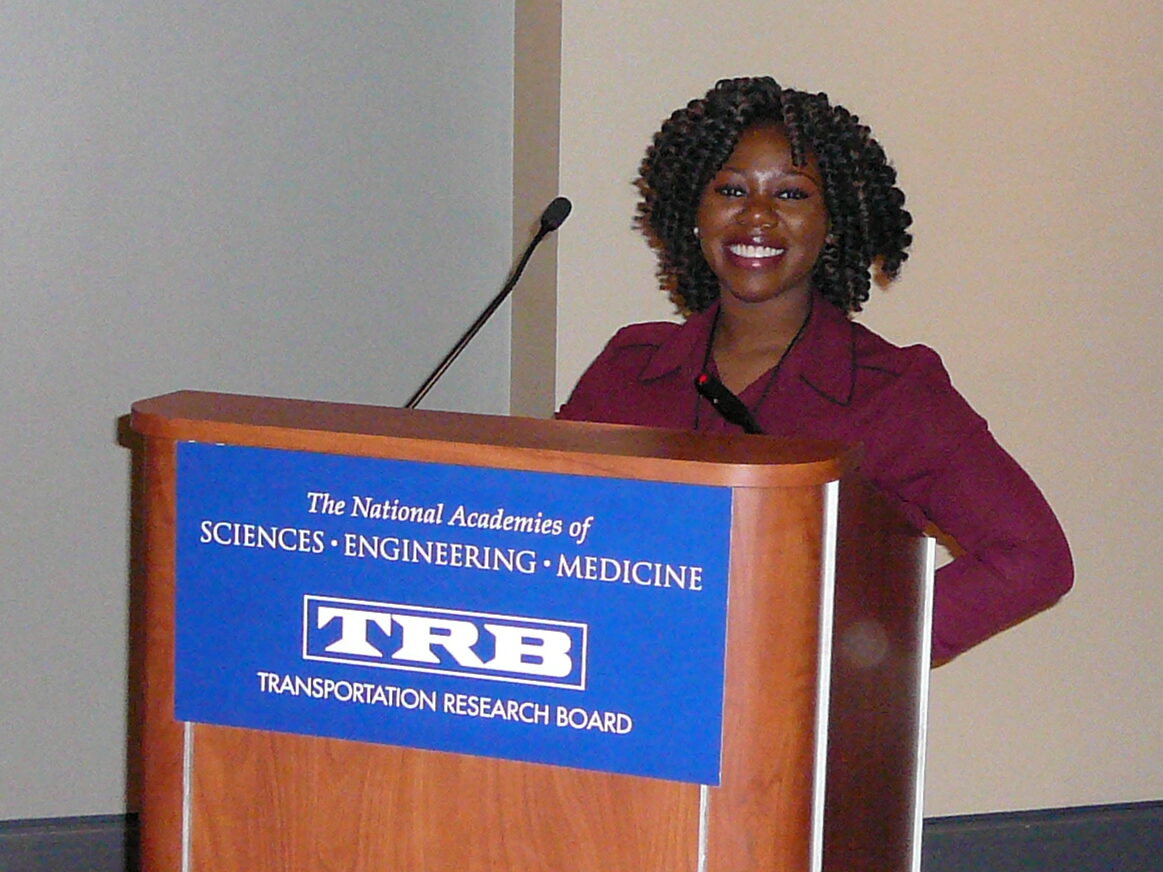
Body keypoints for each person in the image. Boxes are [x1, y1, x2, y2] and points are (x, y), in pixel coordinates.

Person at [557, 76, 1072, 663]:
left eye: (792, 195)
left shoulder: (892, 392)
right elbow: (548, 533)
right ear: (691, 211)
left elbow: (1033, 558)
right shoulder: (628, 371)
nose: (757, 216)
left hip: (794, 744)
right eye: (730, 190)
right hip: (615, 721)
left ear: (832, 223)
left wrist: (851, 652)